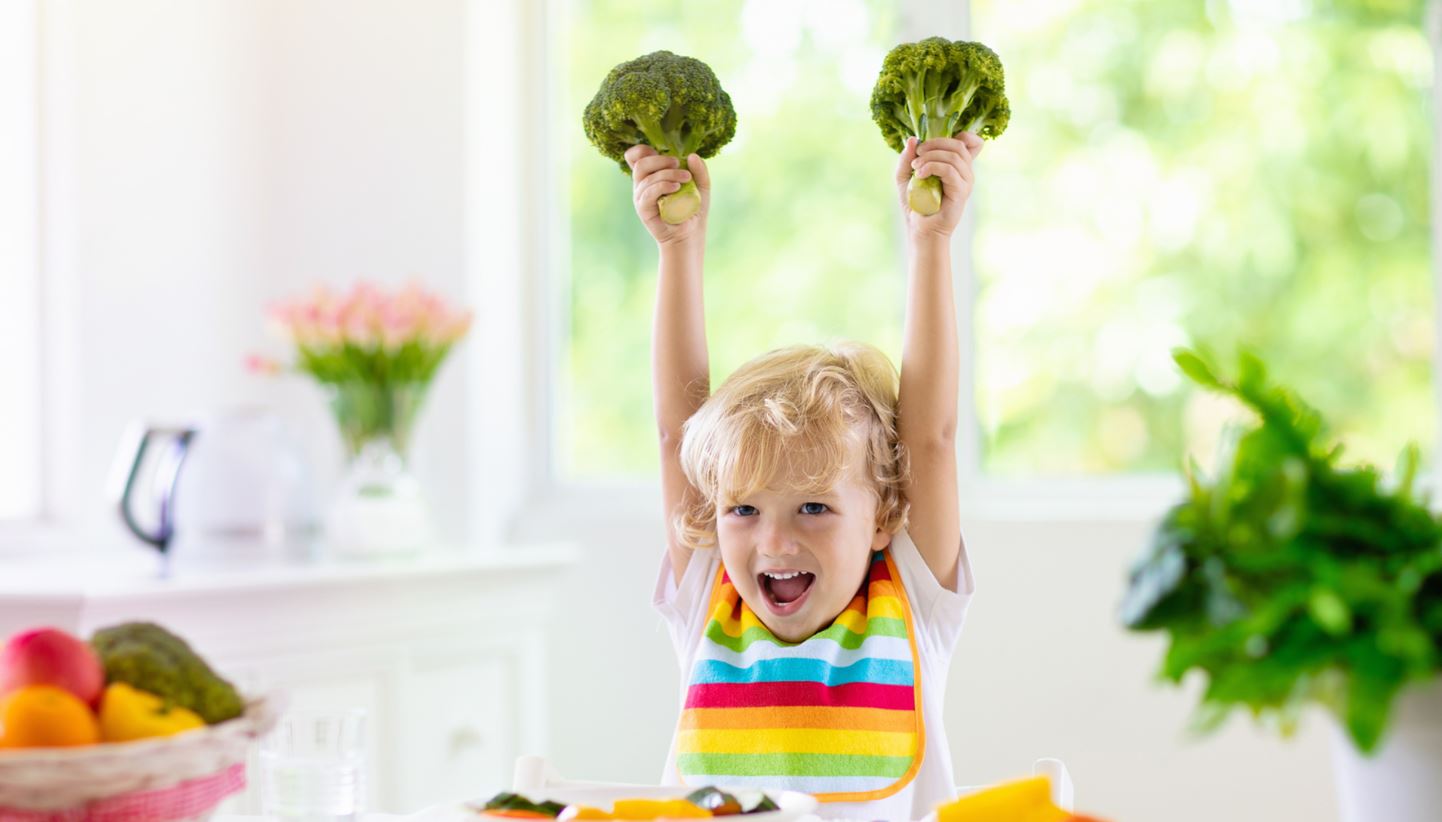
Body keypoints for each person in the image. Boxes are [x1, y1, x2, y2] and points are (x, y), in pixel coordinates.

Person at [628, 131, 984, 821]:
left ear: (883, 513)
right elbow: (679, 437)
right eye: (744, 510)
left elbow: (931, 440)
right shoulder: (710, 598)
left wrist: (931, 241)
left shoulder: (912, 600)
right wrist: (678, 246)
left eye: (814, 509)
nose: (774, 542)